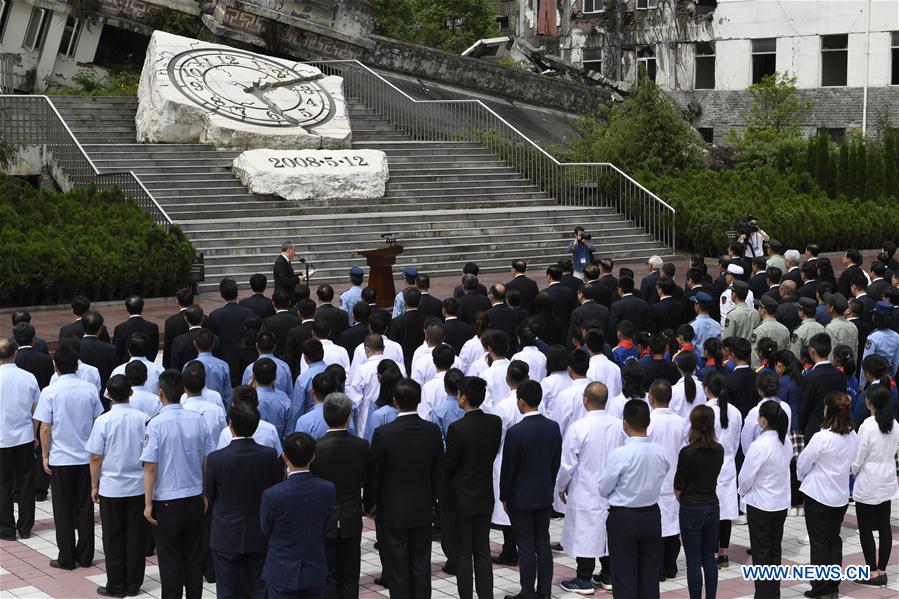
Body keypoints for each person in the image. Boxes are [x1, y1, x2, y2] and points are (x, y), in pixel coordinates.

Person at [141, 369, 214, 599]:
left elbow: (150, 466)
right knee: (193, 556)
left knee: (170, 558)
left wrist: (147, 503)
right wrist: (203, 492)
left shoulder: (155, 424)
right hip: (193, 497)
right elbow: (206, 459)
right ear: (182, 390)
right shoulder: (199, 420)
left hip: (166, 501)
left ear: (160, 392)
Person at [370, 378, 444, 599]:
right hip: (423, 507)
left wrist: (370, 504)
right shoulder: (432, 431)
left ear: (395, 401)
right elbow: (437, 470)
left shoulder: (384, 433)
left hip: (392, 510)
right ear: (419, 400)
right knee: (421, 563)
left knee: (398, 567)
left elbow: (375, 473)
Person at [34, 344, 104, 570]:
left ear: (55, 367)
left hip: (61, 459)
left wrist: (45, 456)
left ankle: (66, 556)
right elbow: (97, 422)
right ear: (77, 365)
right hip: (85, 458)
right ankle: (85, 556)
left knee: (63, 509)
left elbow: (45, 427)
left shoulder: (50, 391)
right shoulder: (90, 389)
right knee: (85, 507)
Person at [205, 400, 283, 599]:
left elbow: (210, 495)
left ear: (230, 424)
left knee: (227, 590)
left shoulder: (216, 458)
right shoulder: (269, 455)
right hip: (260, 530)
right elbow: (276, 488)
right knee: (259, 587)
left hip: (226, 532)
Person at [557, 382, 625, 593]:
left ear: (585, 400)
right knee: (607, 530)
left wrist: (561, 485)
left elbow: (568, 463)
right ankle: (608, 574)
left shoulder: (578, 427)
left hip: (585, 488)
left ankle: (583, 578)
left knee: (585, 532)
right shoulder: (618, 425)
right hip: (613, 488)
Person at [597, 399, 670, 598]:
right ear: (648, 422)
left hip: (624, 518)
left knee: (623, 574)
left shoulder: (621, 454)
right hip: (651, 516)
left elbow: (603, 488)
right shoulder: (661, 452)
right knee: (649, 574)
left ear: (625, 423)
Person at [86, 375, 149, 597]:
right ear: (130, 392)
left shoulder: (103, 421)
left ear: (108, 395)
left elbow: (95, 456)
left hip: (111, 487)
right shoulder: (144, 418)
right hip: (138, 487)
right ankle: (133, 584)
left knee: (113, 537)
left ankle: (116, 584)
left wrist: (94, 485)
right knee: (135, 536)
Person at [499, 380, 562, 599]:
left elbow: (509, 469)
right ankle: (544, 591)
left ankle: (527, 591)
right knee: (542, 542)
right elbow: (556, 462)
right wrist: (549, 484)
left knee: (525, 545)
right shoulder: (553, 427)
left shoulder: (516, 432)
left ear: (522, 402)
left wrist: (504, 495)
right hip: (544, 492)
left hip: (520, 496)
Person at [795, 392, 858, 598]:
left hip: (818, 495)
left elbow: (803, 463)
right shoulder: (853, 436)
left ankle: (820, 588)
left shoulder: (822, 437)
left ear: (827, 410)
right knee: (834, 540)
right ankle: (833, 586)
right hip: (840, 496)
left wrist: (802, 477)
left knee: (819, 542)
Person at [444, 376, 502, 599]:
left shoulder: (457, 428)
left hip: (461, 497)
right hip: (485, 493)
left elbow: (450, 464)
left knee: (463, 552)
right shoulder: (494, 422)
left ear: (464, 397)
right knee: (483, 550)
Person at [310, 394, 372, 599]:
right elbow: (368, 480)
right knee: (350, 574)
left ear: (325, 416)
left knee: (327, 575)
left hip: (323, 518)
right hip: (352, 515)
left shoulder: (316, 448)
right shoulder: (362, 446)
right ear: (348, 417)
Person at [261, 432, 335, 599]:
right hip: (314, 567)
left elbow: (266, 529)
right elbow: (326, 522)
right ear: (312, 458)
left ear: (285, 457)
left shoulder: (272, 494)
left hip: (281, 568)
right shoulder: (327, 489)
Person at [737, 401, 792, 599]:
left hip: (760, 504)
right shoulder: (786, 442)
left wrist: (743, 491)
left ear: (763, 420)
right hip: (778, 503)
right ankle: (773, 593)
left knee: (761, 553)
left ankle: (762, 595)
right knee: (774, 552)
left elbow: (745, 478)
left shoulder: (759, 445)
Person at [674, 405, 724, 599]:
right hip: (712, 504)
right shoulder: (719, 450)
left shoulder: (688, 452)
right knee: (709, 558)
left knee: (693, 560)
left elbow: (678, 484)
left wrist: (684, 498)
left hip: (691, 506)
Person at [851, 385, 899, 587]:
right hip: (887, 479)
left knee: (865, 529)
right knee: (884, 527)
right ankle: (882, 570)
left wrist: (853, 470)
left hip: (869, 480)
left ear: (869, 402)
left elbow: (859, 456)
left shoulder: (867, 425)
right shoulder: (895, 424)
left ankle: (871, 572)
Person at [647, 379, 687, 582]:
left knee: (657, 526)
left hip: (653, 480)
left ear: (650, 397)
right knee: (672, 524)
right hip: (675, 479)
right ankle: (671, 565)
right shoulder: (681, 421)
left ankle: (660, 567)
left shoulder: (649, 421)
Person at [0, 339, 40, 541]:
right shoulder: (28, 377)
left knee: (3, 484)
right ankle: (25, 527)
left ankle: (6, 528)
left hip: (1, 439)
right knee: (25, 483)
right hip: (24, 436)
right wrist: (33, 434)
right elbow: (36, 411)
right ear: (15, 354)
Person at [799, 333, 846, 440]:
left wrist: (801, 429)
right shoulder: (840, 375)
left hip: (815, 430)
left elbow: (804, 407)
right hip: (837, 428)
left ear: (812, 350)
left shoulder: (810, 377)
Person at [217, 386, 283, 454]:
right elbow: (278, 457)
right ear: (257, 403)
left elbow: (220, 457)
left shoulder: (225, 433)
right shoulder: (270, 429)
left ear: (233, 404)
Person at [191, 328, 233, 409]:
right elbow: (228, 395)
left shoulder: (188, 366)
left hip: (195, 410)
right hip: (219, 409)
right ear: (213, 344)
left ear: (195, 344)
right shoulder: (223, 365)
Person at [388, 287, 426, 373]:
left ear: (404, 302)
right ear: (420, 301)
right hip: (421, 361)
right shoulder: (426, 320)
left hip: (403, 362)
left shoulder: (396, 322)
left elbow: (393, 344)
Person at [113, 295, 160, 363]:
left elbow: (118, 350)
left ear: (127, 309)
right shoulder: (152, 327)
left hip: (126, 366)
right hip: (147, 364)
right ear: (142, 308)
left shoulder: (120, 329)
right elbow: (154, 349)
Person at [860, 301, 899, 381]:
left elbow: (866, 362)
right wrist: (892, 377)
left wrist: (862, 383)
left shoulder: (872, 337)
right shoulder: (896, 336)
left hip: (873, 377)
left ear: (877, 317)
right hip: (888, 377)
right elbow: (896, 361)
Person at [430, 368, 466, 445]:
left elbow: (440, 440)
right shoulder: (469, 406)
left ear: (445, 387)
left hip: (449, 452)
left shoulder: (437, 411)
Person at [670, 352, 707, 419]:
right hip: (700, 428)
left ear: (677, 366)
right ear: (696, 366)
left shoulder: (673, 390)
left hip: (679, 429)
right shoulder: (704, 388)